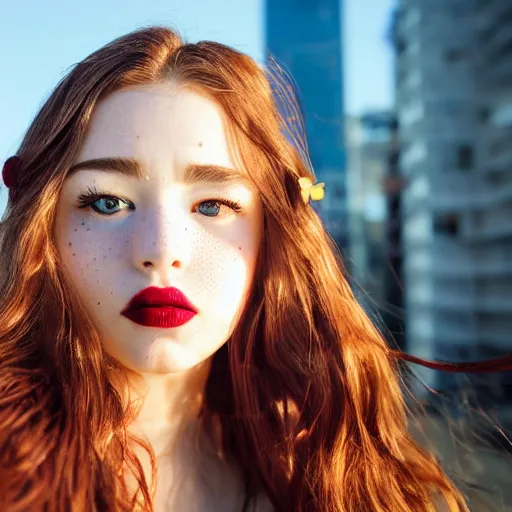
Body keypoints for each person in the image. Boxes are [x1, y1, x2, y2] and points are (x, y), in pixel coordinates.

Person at [0, 26, 474, 512]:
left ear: (272, 233)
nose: (161, 250)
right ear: (44, 224)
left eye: (212, 206)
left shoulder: (327, 473)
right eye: (107, 201)